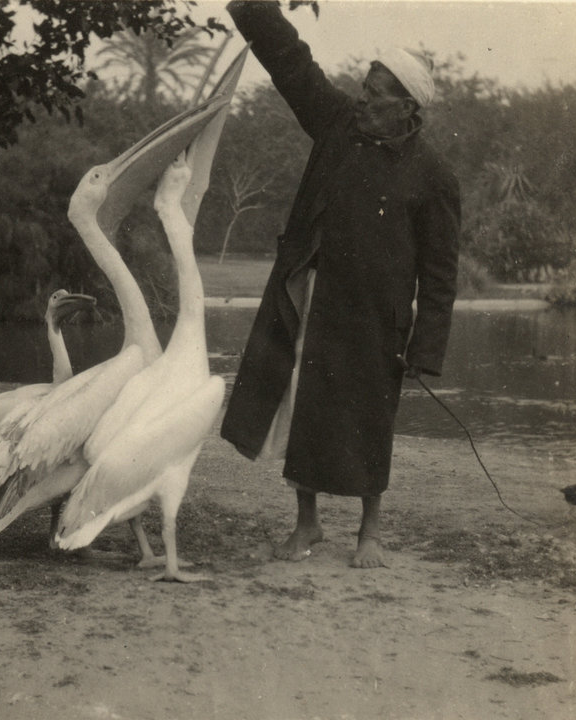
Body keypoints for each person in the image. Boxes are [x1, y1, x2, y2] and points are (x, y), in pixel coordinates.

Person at [220, 1, 460, 568]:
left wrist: (425, 348)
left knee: (371, 418)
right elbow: (291, 62)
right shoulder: (335, 124)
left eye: (376, 92)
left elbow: (440, 275)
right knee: (305, 409)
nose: (364, 97)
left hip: (379, 320)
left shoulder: (434, 175)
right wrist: (253, 9)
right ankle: (307, 525)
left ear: (406, 107)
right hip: (316, 303)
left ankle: (369, 533)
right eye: (364, 85)